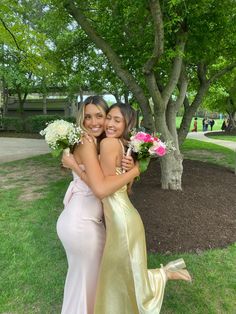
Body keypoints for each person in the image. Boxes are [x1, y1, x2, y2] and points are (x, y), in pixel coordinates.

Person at [65, 102, 192, 314]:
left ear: (127, 125)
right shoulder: (121, 146)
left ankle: (164, 275)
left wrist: (75, 167)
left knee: (120, 278)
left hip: (122, 221)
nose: (109, 123)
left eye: (117, 120)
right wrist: (133, 170)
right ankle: (164, 274)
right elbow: (119, 185)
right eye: (109, 118)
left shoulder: (108, 144)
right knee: (120, 277)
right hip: (124, 219)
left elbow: (102, 189)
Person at [57, 96, 137, 314]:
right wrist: (135, 171)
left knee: (85, 286)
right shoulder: (86, 142)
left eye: (100, 116)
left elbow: (110, 180)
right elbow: (99, 188)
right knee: (88, 288)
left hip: (85, 220)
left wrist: (127, 166)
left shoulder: (102, 144)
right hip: (81, 223)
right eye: (88, 117)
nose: (94, 122)